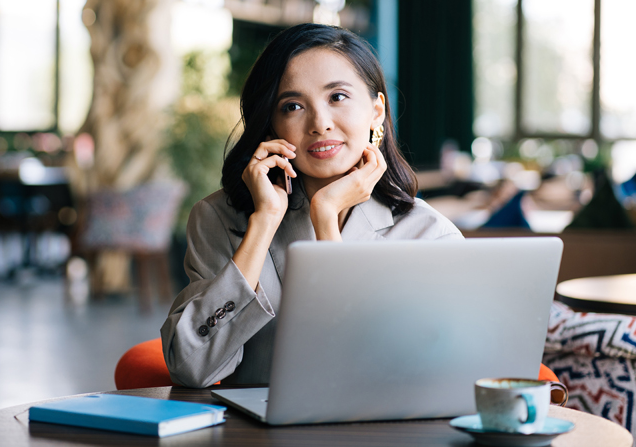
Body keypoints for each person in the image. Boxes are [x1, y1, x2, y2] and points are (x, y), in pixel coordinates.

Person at [161, 23, 462, 388]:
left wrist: (326, 220)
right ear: (271, 127)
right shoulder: (219, 219)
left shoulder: (428, 234)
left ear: (376, 112)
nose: (319, 124)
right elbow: (190, 367)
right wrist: (264, 222)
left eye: (337, 97)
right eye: (293, 106)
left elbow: (388, 374)